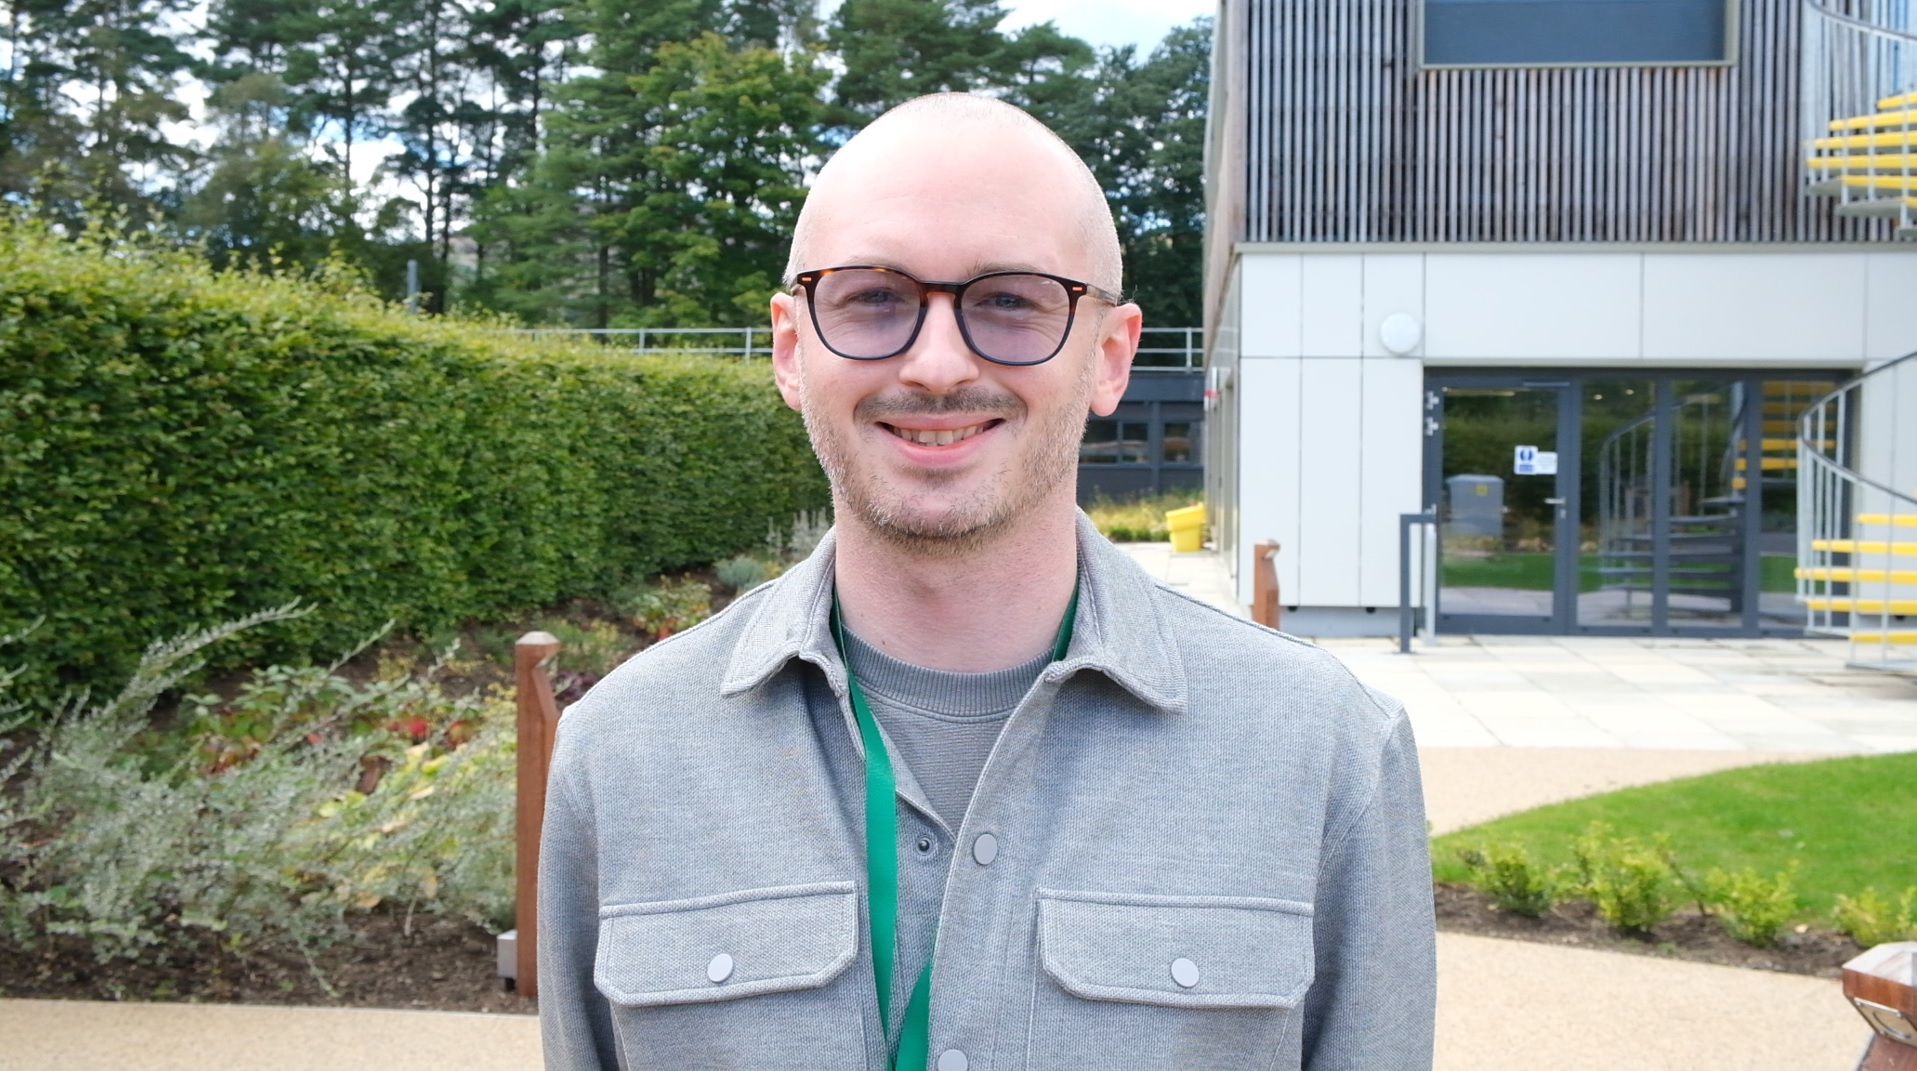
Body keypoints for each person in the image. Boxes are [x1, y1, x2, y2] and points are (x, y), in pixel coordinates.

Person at [538, 93, 1436, 1071]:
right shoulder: (617, 760)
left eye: (1010, 300)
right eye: (872, 297)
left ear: (1111, 356)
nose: (933, 364)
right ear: (792, 350)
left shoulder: (1329, 757)